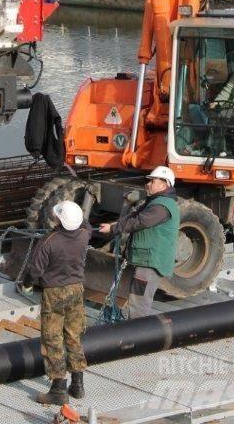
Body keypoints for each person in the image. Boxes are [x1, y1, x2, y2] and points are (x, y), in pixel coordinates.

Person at [28, 200, 91, 405]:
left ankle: (58, 388)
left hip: (53, 292)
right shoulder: (84, 236)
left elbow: (35, 270)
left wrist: (28, 283)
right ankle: (78, 385)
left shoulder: (48, 241)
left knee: (53, 339)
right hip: (76, 290)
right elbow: (87, 225)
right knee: (74, 335)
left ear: (59, 219)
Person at [98, 166, 179, 318]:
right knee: (137, 301)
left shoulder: (162, 206)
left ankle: (137, 337)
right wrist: (114, 225)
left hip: (150, 262)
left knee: (139, 304)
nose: (147, 184)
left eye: (152, 181)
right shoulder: (155, 202)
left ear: (164, 184)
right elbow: (135, 216)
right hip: (146, 260)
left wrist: (114, 228)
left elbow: (140, 221)